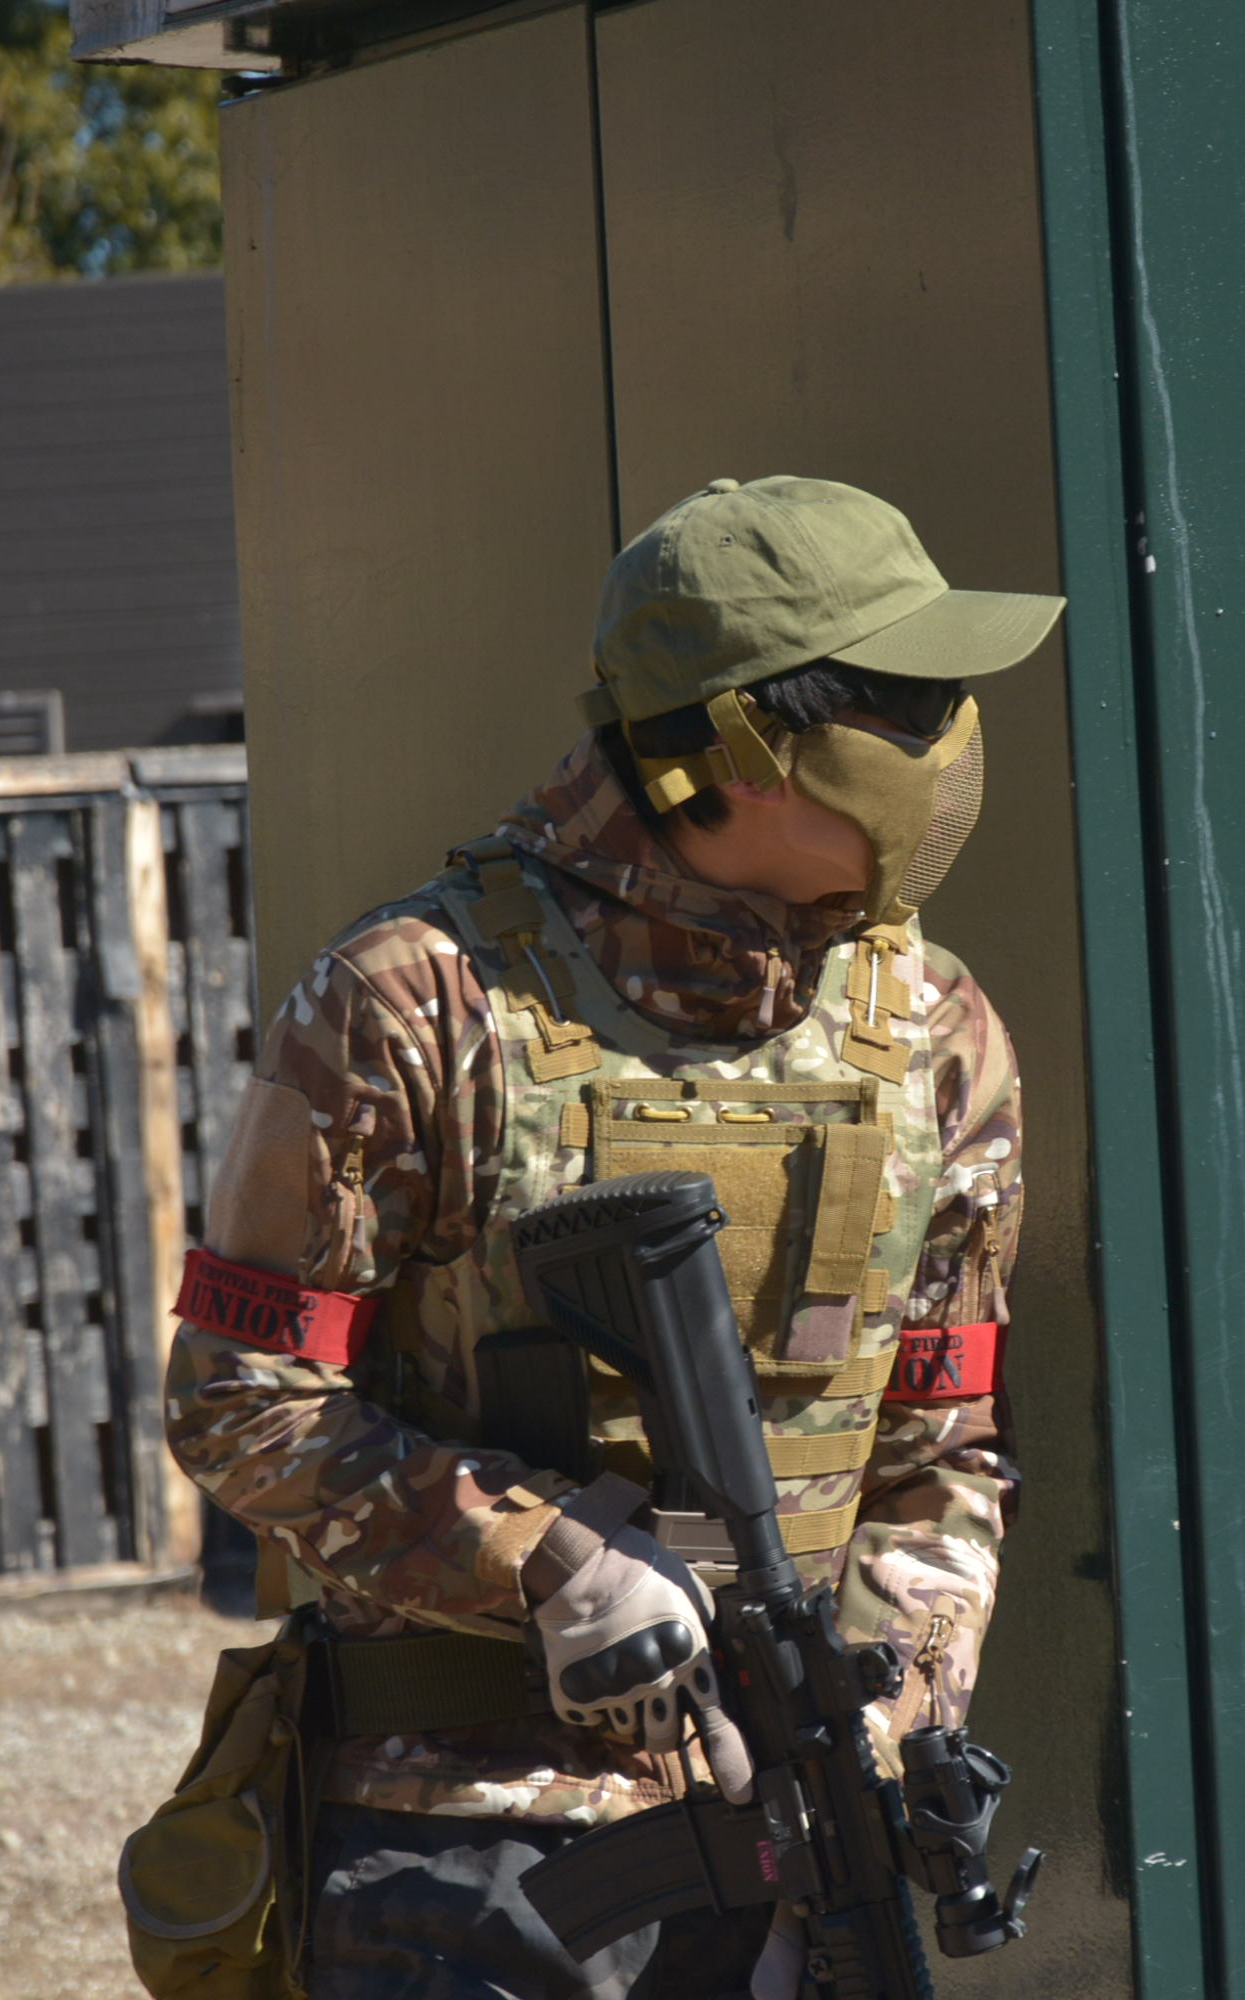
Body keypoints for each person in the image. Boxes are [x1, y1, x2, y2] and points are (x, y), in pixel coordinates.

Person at [166, 476, 1061, 1998]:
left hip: (796, 1839)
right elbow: (241, 1397)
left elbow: (946, 1434)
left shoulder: (933, 1030)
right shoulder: (419, 1003)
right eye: (906, 706)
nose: (950, 742)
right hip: (467, 1847)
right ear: (738, 750)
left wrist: (897, 1692)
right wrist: (547, 1561)